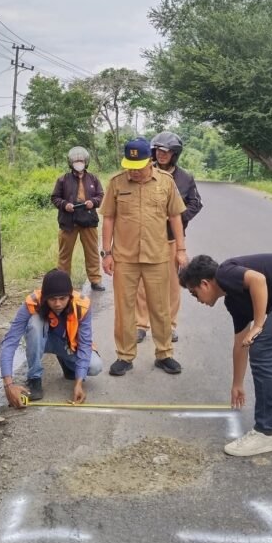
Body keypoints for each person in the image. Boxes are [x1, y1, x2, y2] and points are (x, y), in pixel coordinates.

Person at [180, 253, 272, 457]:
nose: (197, 300)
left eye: (194, 293)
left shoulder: (224, 273)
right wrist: (237, 384)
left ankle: (265, 432)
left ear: (205, 283)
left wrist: (259, 324)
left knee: (263, 349)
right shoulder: (233, 302)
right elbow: (241, 344)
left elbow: (258, 280)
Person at [100, 137, 188, 377]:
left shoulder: (166, 183)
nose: (134, 172)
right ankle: (125, 356)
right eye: (130, 166)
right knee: (124, 309)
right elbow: (108, 217)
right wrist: (107, 253)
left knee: (160, 308)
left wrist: (180, 250)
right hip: (125, 257)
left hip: (158, 255)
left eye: (138, 167)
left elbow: (175, 217)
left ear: (149, 161)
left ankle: (164, 354)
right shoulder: (117, 183)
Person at [135, 131, 202, 345]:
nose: (162, 155)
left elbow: (195, 203)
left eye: (167, 152)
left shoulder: (185, 178)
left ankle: (170, 324)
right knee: (143, 283)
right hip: (147, 238)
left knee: (173, 284)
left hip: (173, 239)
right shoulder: (145, 172)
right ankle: (140, 324)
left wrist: (177, 218)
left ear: (175, 154)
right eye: (159, 151)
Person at [0, 268, 102, 407]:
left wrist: (79, 383)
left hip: (67, 344)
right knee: (35, 324)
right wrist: (8, 385)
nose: (58, 304)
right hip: (42, 341)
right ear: (45, 298)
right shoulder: (32, 302)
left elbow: (84, 344)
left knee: (95, 366)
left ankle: (67, 365)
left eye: (62, 298)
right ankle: (34, 378)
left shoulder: (82, 305)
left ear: (70, 296)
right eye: (53, 299)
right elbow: (10, 341)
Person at [51, 147, 105, 292]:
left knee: (92, 252)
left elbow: (100, 195)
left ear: (86, 161)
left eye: (81, 160)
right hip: (68, 221)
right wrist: (65, 205)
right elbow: (55, 197)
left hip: (88, 220)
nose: (78, 163)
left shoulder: (93, 178)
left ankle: (95, 280)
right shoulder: (63, 179)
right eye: (76, 160)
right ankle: (63, 284)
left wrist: (92, 202)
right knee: (64, 255)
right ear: (70, 162)